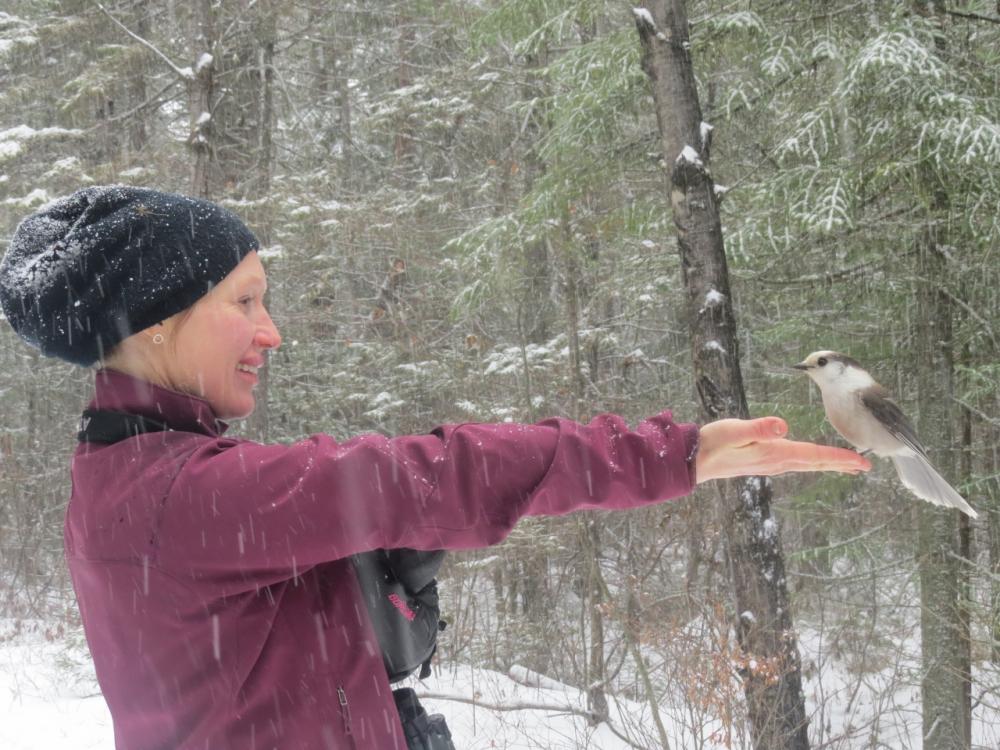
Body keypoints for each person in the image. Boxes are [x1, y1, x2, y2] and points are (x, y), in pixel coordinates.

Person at [0, 186, 870, 750]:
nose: (272, 331)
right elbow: (415, 477)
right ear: (155, 323)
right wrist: (675, 453)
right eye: (246, 301)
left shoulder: (146, 472)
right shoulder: (173, 496)